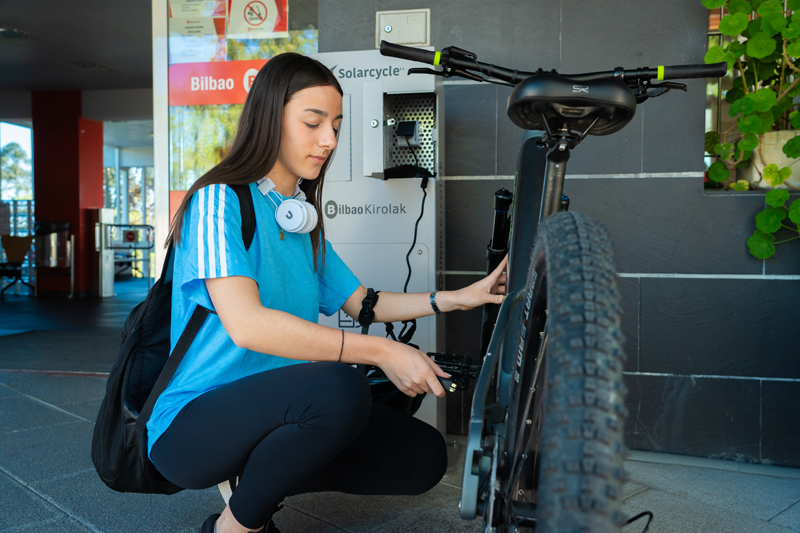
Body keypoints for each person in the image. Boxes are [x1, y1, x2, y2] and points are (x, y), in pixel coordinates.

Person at [147, 52, 508, 533]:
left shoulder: (300, 221)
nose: (329, 140)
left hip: (281, 411)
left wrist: (460, 297)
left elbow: (366, 303)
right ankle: (234, 528)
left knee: (422, 457)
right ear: (269, 116)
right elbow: (247, 324)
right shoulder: (219, 200)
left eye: (336, 125)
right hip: (192, 426)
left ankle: (255, 482)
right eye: (313, 122)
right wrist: (382, 352)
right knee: (339, 385)